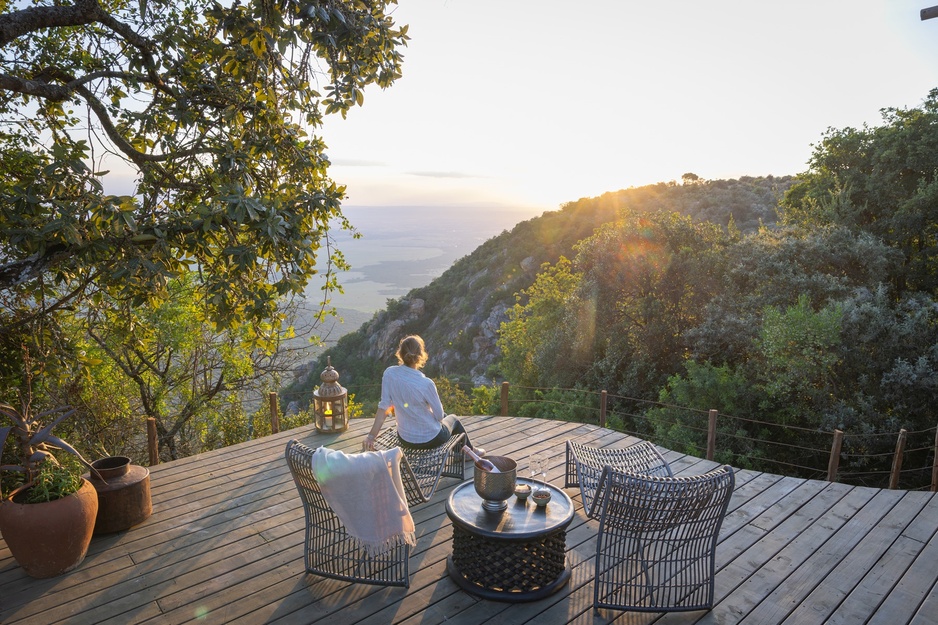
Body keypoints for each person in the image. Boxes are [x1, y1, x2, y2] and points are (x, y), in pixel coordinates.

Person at [362, 335, 483, 457]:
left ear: (400, 353)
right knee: (454, 419)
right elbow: (439, 416)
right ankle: (469, 453)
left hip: (405, 439)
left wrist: (371, 437)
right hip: (431, 439)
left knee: (444, 417)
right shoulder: (426, 383)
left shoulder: (389, 374)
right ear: (421, 355)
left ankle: (465, 452)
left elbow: (383, 408)